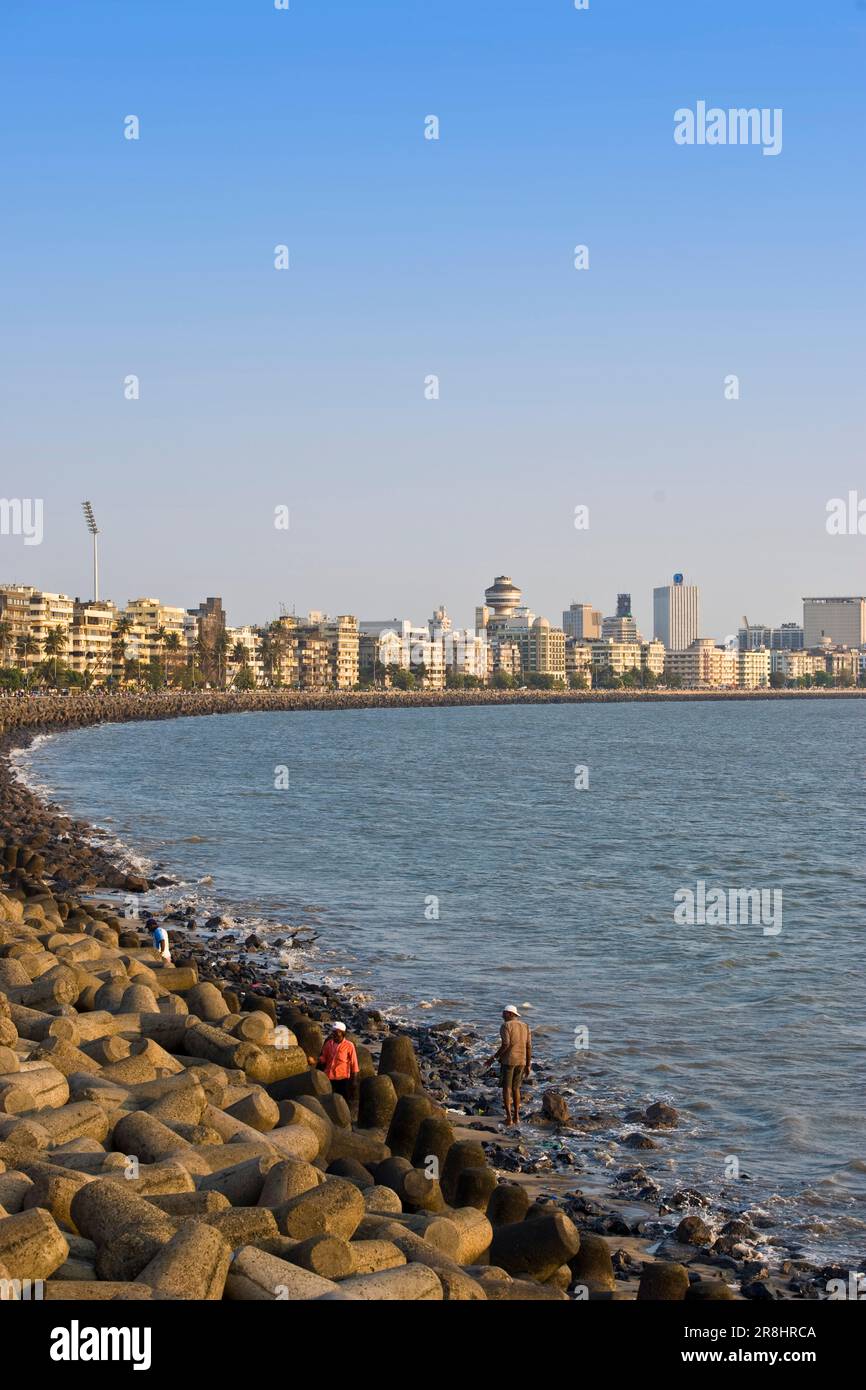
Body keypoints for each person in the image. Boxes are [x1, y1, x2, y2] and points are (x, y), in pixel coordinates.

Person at [486, 1004, 532, 1128]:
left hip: (509, 1061)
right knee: (516, 1089)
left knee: (507, 1088)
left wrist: (493, 1058)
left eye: (504, 1013)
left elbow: (506, 1044)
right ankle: (517, 1117)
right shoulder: (525, 1026)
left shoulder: (506, 1026)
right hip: (521, 1061)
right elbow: (528, 1046)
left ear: (510, 1014)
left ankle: (509, 1119)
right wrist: (528, 1064)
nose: (502, 1015)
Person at [311, 1022, 360, 1108]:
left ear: (342, 1033)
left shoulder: (349, 1046)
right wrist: (315, 1060)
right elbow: (324, 1058)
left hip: (342, 1078)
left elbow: (354, 1064)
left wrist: (354, 1081)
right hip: (328, 1077)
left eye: (336, 1032)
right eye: (333, 1032)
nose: (333, 1034)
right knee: (327, 1101)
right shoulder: (328, 1044)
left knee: (343, 1102)